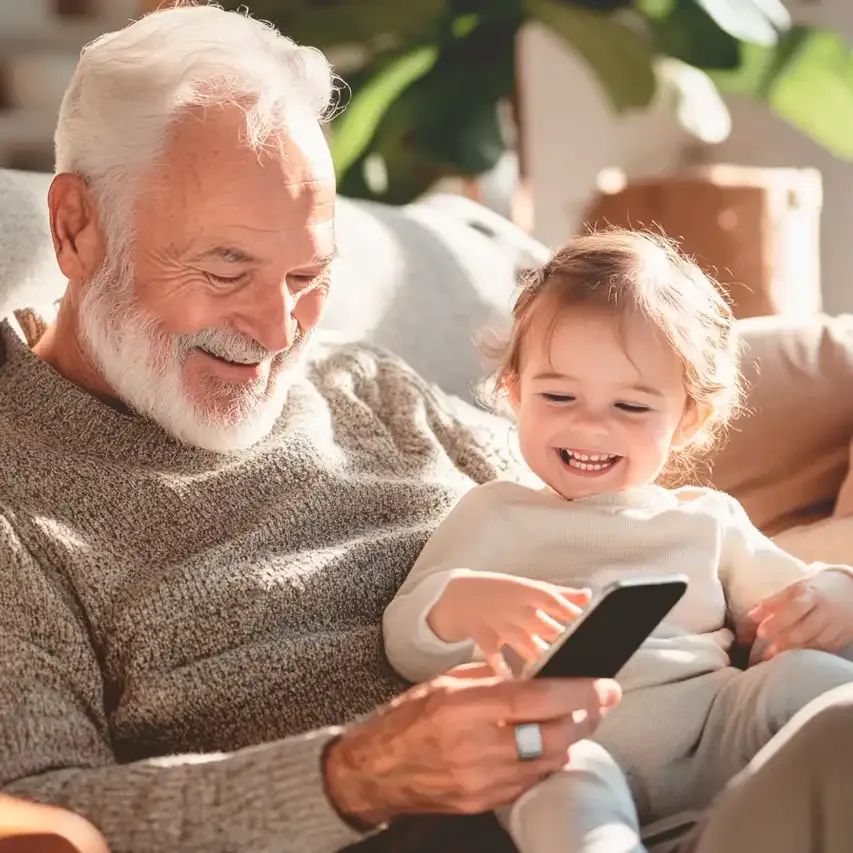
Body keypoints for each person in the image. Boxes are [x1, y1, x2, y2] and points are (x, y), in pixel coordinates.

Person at [0, 5, 852, 853]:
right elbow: (39, 815)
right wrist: (353, 774)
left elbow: (605, 508)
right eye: (226, 268)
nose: (275, 328)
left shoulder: (360, 383)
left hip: (668, 785)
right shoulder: (18, 497)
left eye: (307, 273)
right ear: (76, 227)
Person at [382, 232, 853, 853]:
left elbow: (791, 598)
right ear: (516, 393)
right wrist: (460, 604)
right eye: (558, 396)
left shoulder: (707, 521)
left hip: (716, 729)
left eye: (630, 406)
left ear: (687, 420)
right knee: (554, 780)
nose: (589, 423)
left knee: (805, 680)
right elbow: (405, 636)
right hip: (567, 743)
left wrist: (834, 594)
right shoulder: (494, 512)